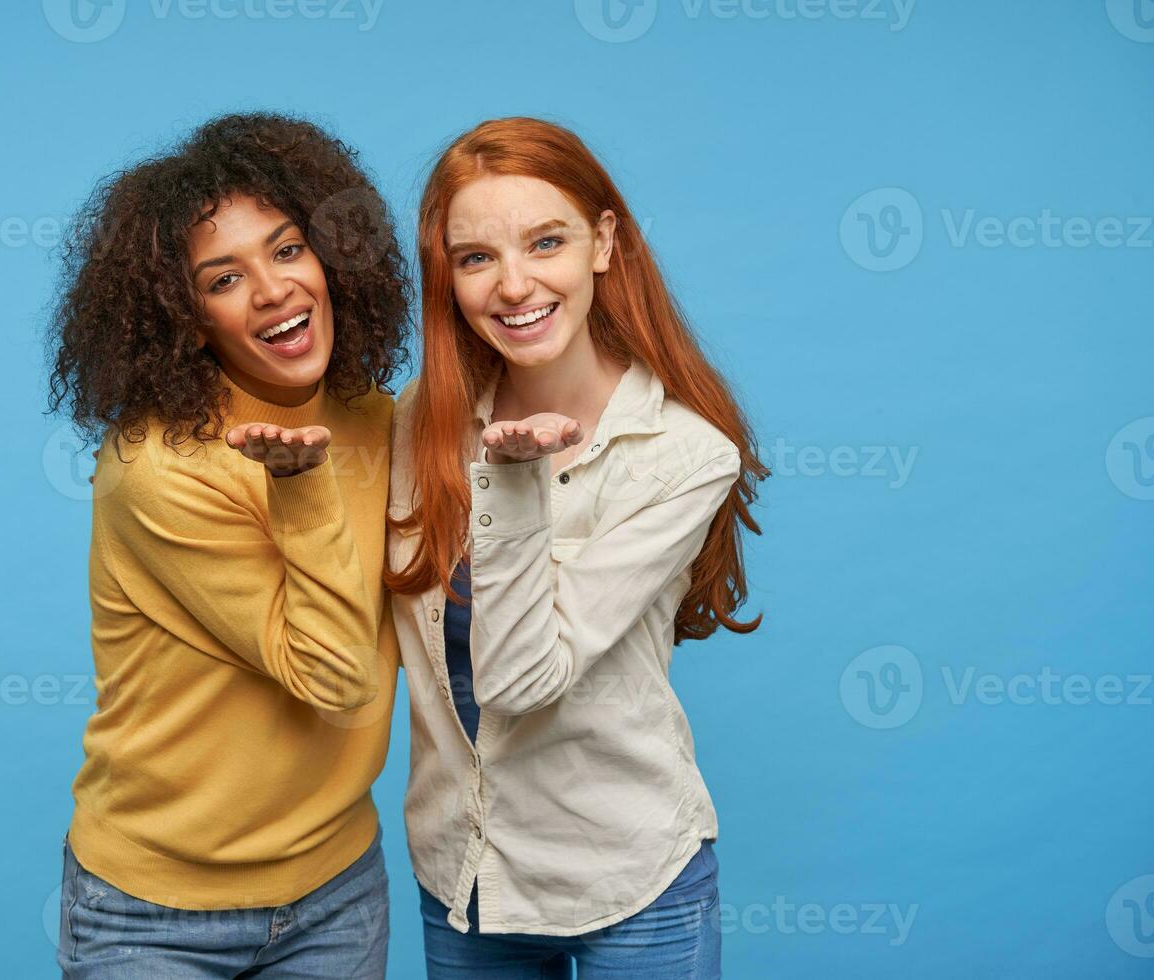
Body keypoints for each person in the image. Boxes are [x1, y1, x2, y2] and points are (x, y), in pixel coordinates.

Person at [385, 117, 768, 979]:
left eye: (546, 241)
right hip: (465, 877)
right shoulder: (417, 423)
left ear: (602, 241)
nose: (514, 284)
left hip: (630, 881)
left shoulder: (684, 456)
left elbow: (522, 682)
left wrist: (514, 481)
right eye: (476, 257)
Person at [48, 112, 410, 979]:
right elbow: (332, 676)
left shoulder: (371, 413)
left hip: (337, 891)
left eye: (288, 251)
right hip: (152, 915)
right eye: (224, 277)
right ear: (185, 318)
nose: (274, 290)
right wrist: (299, 485)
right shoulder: (160, 468)